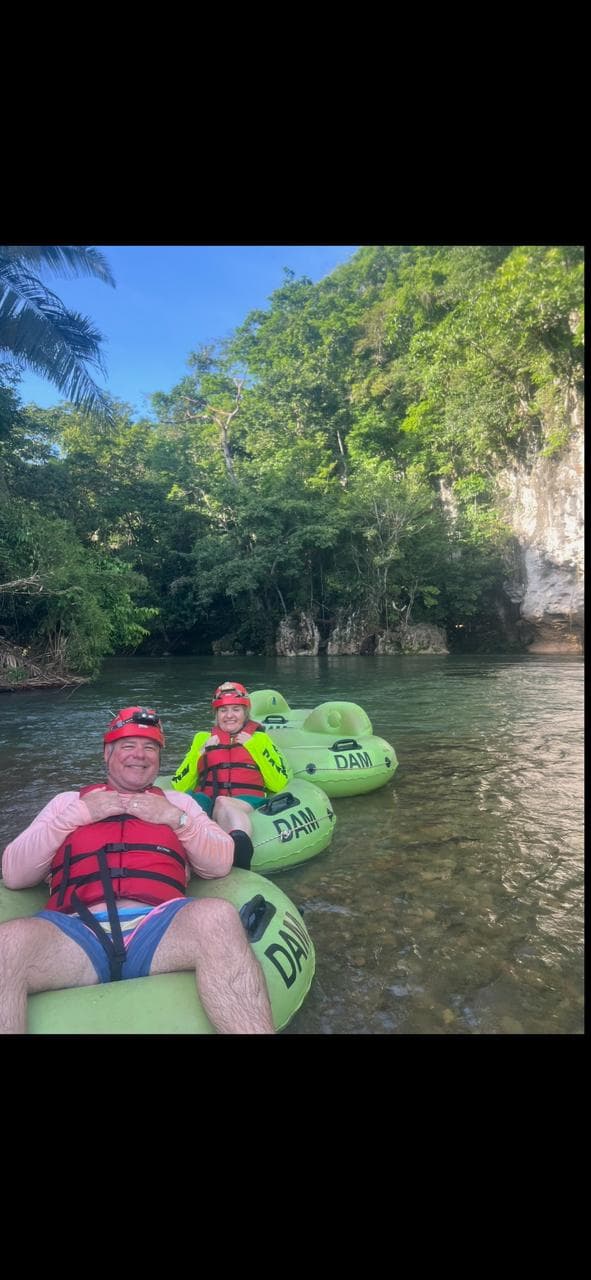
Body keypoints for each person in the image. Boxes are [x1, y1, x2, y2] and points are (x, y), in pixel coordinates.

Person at [0, 705, 275, 1034]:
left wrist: (175, 819)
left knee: (217, 916)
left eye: (150, 747)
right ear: (107, 753)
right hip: (74, 931)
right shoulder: (67, 802)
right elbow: (15, 873)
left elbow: (219, 863)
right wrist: (75, 816)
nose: (140, 755)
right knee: (8, 942)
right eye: (128, 746)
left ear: (159, 757)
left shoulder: (180, 804)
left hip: (160, 927)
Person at [171, 681, 292, 848]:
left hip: (246, 799)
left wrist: (254, 747)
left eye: (236, 709)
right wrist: (200, 753)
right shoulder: (202, 739)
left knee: (223, 802)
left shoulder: (260, 739)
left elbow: (279, 783)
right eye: (223, 710)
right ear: (216, 714)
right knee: (190, 804)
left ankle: (238, 849)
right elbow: (179, 785)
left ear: (245, 713)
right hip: (206, 800)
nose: (229, 716)